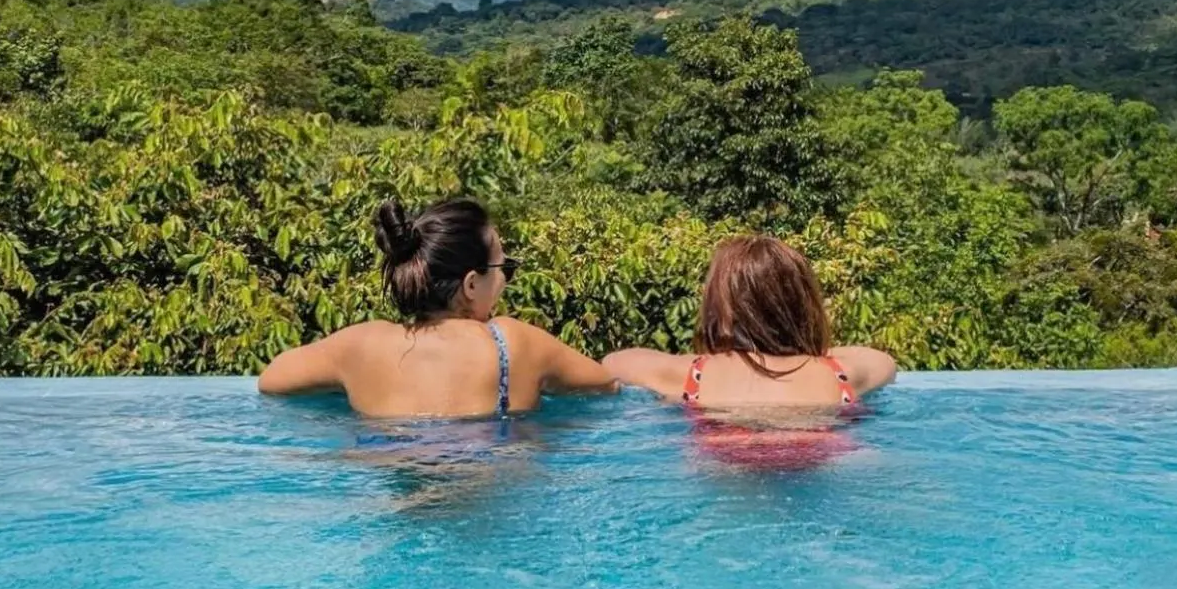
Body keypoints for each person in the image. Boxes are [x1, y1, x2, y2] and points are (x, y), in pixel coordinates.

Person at [258, 196, 615, 418]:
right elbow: (607, 385)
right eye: (504, 268)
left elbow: (272, 380)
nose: (506, 279)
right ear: (472, 284)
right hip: (487, 500)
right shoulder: (514, 343)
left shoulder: (361, 345)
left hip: (401, 485)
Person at [604, 234, 896, 468]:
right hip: (823, 455)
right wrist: (806, 353)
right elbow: (885, 363)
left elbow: (614, 362)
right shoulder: (839, 373)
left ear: (720, 306)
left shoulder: (692, 373)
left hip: (724, 459)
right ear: (803, 305)